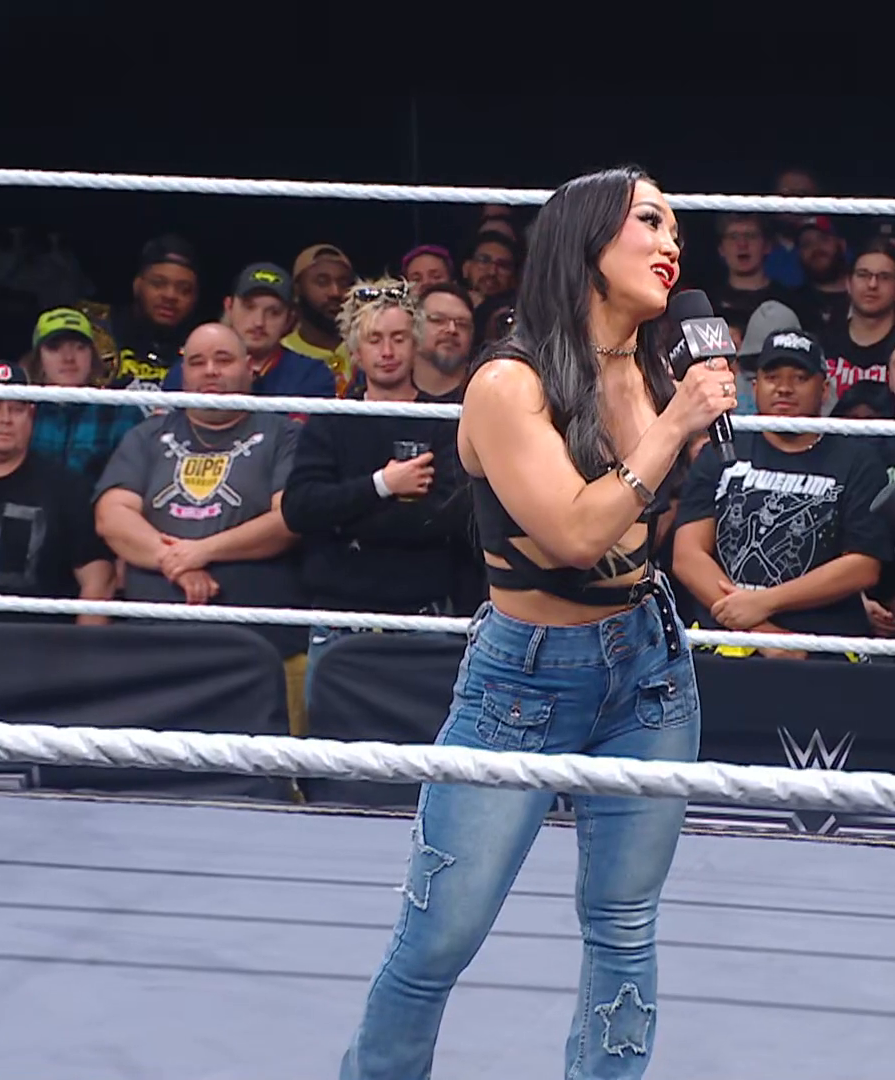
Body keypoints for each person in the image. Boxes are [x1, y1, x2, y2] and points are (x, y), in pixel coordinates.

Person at [338, 166, 736, 1080]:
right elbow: (572, 535)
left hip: (648, 670)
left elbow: (636, 532)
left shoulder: (647, 368)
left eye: (676, 228)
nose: (672, 244)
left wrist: (682, 423)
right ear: (586, 243)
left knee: (625, 929)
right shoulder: (506, 383)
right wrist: (674, 425)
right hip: (523, 678)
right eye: (650, 222)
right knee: (439, 936)